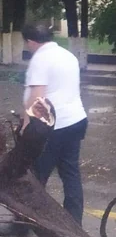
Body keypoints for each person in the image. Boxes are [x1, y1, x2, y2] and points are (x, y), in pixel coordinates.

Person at [20, 23, 88, 225]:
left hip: (52, 127)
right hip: (76, 120)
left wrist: (25, 127)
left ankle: (25, 223)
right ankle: (74, 224)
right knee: (70, 174)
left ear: (30, 42)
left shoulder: (40, 59)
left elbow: (37, 100)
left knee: (34, 177)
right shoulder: (67, 55)